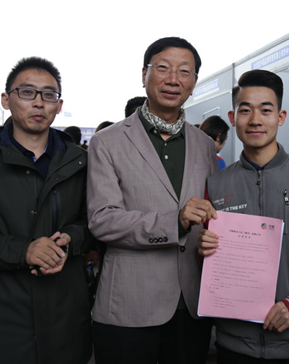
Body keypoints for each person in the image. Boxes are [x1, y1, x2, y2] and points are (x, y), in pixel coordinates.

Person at [0, 57, 94, 364]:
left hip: (66, 312)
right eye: (27, 92)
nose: (38, 102)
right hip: (5, 313)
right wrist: (23, 251)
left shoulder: (79, 162)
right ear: (6, 99)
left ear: (58, 105)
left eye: (48, 95)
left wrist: (70, 239)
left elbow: (94, 222)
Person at [198, 70, 289, 363]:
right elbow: (204, 260)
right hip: (234, 343)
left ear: (281, 117)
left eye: (266, 110)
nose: (255, 120)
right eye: (245, 110)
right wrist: (201, 248)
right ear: (232, 117)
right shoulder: (215, 185)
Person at [88, 37, 218, 364]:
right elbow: (102, 220)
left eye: (184, 72)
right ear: (144, 74)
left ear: (194, 84)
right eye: (163, 68)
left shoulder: (204, 144)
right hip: (130, 304)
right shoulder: (107, 142)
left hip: (191, 304)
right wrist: (175, 221)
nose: (173, 79)